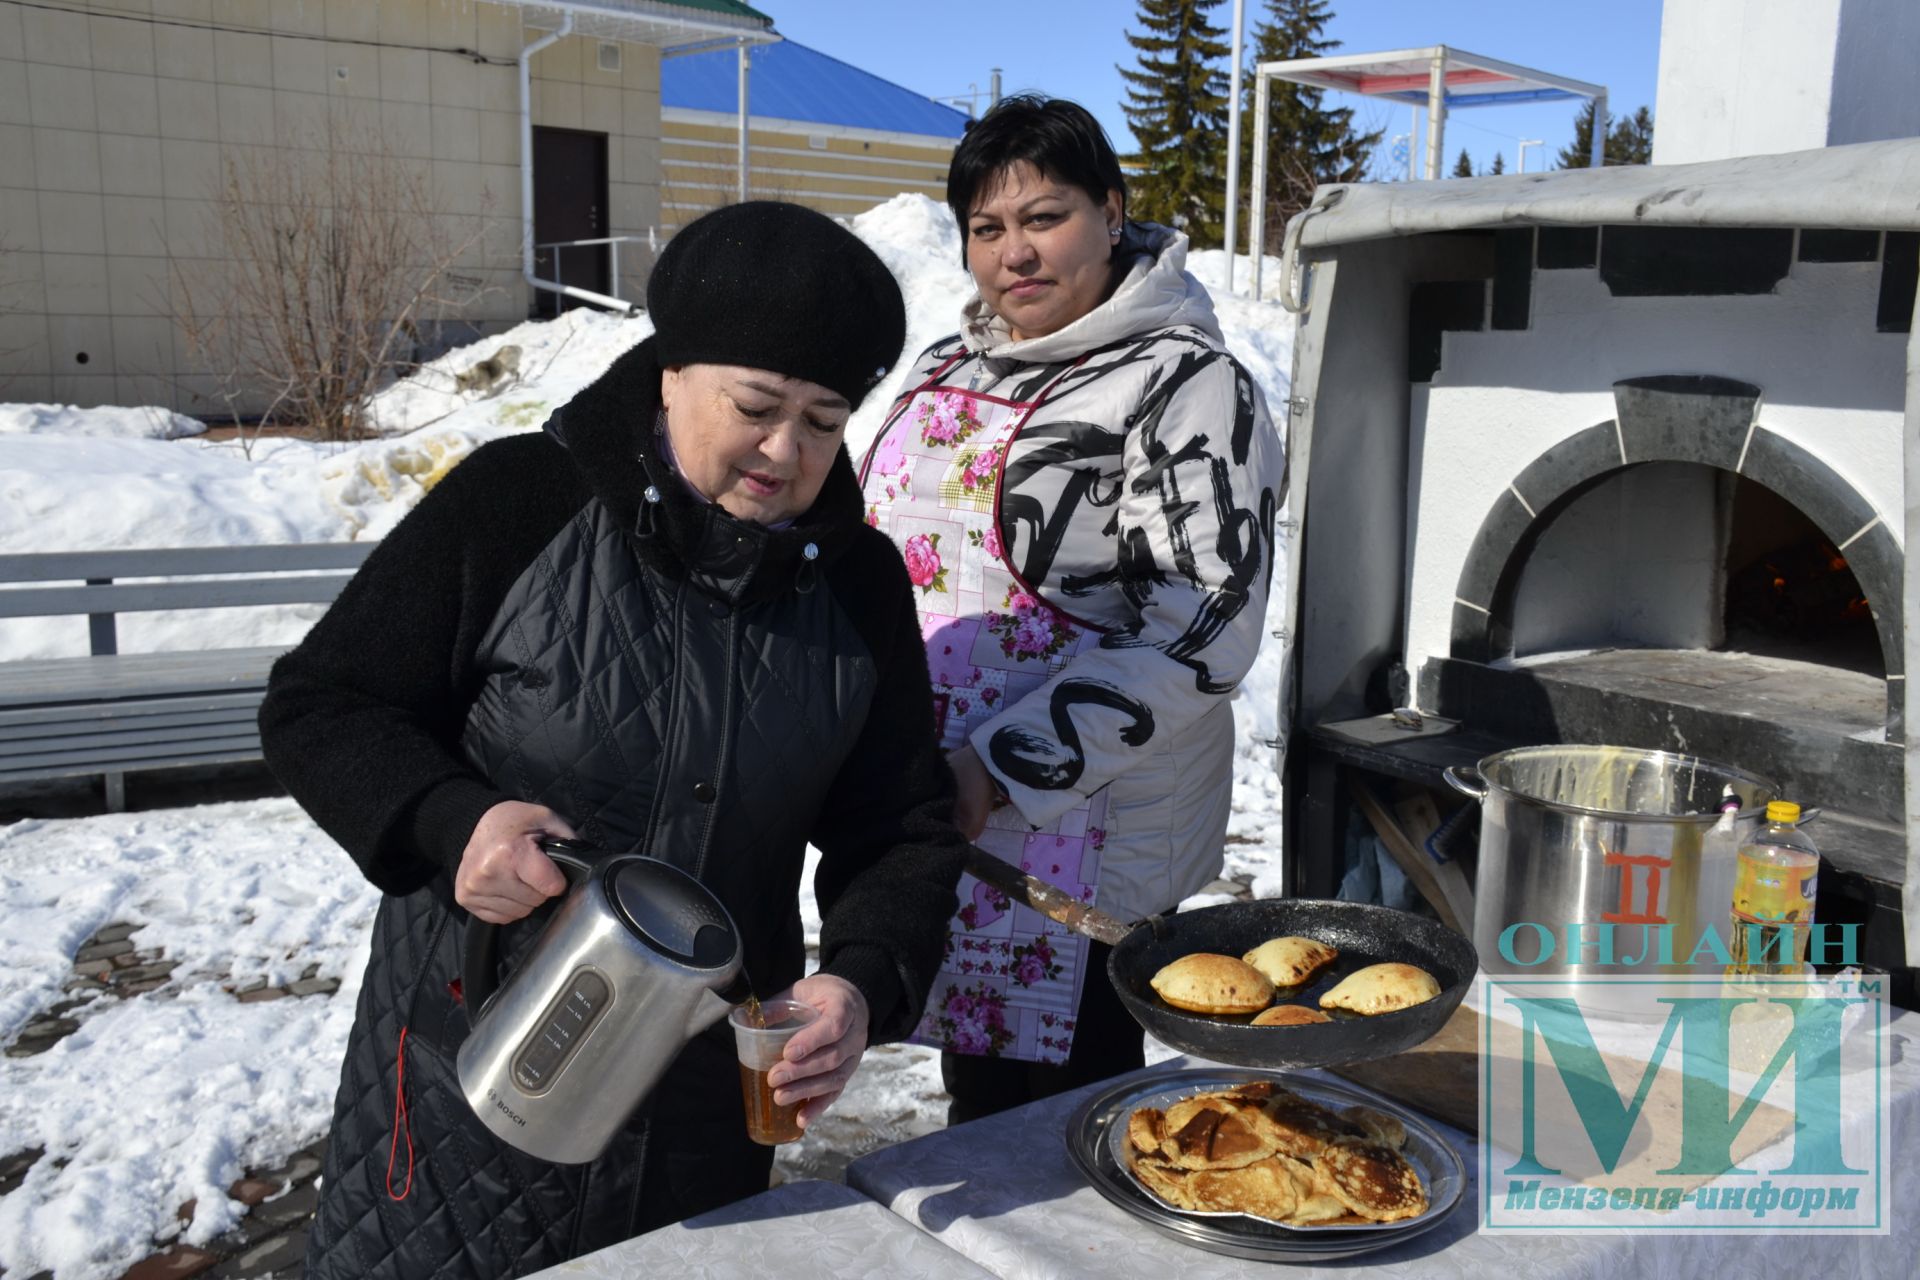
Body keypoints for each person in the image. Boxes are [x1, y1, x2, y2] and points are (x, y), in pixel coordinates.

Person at [260, 201, 968, 1279]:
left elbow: (902, 828)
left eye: (826, 421)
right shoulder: (518, 502)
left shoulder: (856, 585)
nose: (788, 449)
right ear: (671, 370)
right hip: (471, 1076)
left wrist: (862, 978)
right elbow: (322, 704)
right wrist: (455, 823)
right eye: (759, 405)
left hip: (699, 1107)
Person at [859, 95, 1285, 1122]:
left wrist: (997, 764)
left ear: (1111, 208)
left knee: (1063, 1112)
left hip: (1084, 833)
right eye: (988, 228)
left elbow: (1200, 626)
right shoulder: (946, 366)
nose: (1016, 254)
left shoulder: (1186, 386)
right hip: (943, 810)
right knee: (979, 1083)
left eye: (1044, 217)